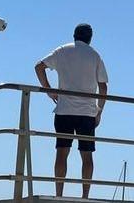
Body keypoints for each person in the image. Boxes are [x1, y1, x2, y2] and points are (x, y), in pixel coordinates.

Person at [35, 23, 109, 198]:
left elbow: (38, 67)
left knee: (62, 152)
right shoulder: (95, 55)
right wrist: (99, 111)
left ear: (74, 35)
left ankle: (59, 194)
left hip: (64, 110)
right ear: (90, 38)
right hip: (87, 113)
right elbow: (103, 87)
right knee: (87, 156)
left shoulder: (62, 50)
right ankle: (85, 197)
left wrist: (48, 89)